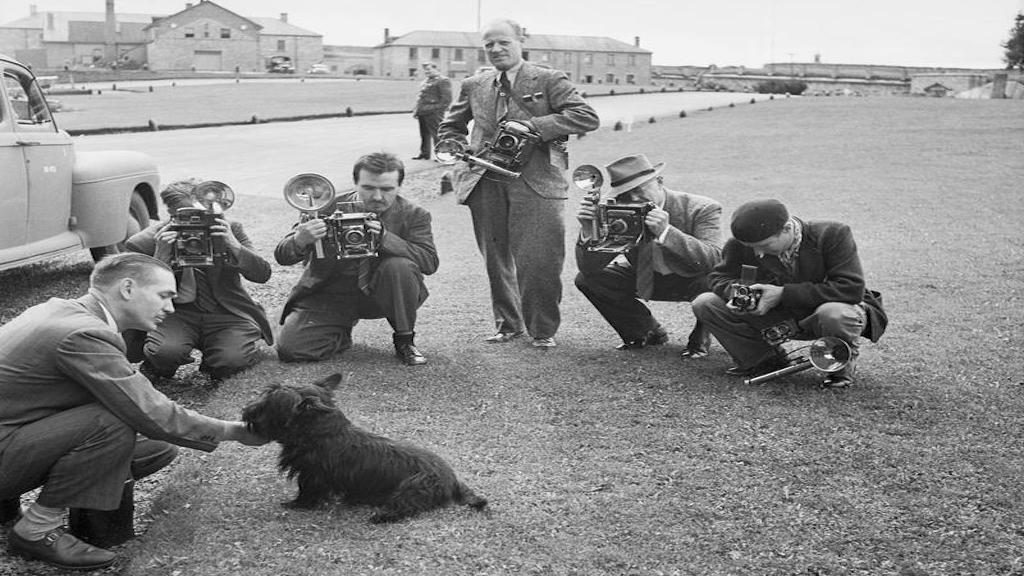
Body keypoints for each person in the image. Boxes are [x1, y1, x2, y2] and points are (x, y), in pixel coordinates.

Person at [0, 253, 266, 571]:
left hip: (13, 430)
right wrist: (234, 431)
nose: (170, 307)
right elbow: (149, 410)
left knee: (154, 449)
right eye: (164, 295)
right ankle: (37, 528)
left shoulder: (62, 310)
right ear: (127, 288)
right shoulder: (84, 334)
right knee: (110, 424)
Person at [437, 18, 599, 349]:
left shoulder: (549, 78)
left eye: (503, 42)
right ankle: (508, 325)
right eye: (489, 45)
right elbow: (450, 126)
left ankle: (542, 330)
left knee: (540, 258)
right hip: (485, 179)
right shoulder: (474, 84)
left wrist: (531, 127)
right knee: (496, 258)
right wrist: (455, 144)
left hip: (537, 181)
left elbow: (586, 116)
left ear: (520, 41)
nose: (496, 49)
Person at [691, 199, 888, 388]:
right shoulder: (742, 243)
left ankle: (839, 368)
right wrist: (742, 295)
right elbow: (719, 277)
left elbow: (850, 288)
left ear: (787, 228)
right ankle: (763, 361)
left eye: (765, 245)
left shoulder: (832, 234)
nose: (758, 253)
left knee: (834, 313)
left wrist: (782, 294)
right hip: (780, 315)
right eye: (752, 248)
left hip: (824, 315)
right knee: (705, 303)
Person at [275, 152, 438, 366]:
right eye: (368, 188)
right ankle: (338, 332)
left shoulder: (414, 214)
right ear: (355, 184)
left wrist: (385, 238)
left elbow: (429, 262)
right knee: (292, 350)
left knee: (399, 266)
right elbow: (282, 256)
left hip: (383, 293)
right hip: (329, 295)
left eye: (387, 189)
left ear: (399, 187)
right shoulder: (322, 208)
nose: (378, 196)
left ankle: (405, 340)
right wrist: (300, 239)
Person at [574, 154, 723, 356]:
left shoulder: (702, 208)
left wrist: (667, 232)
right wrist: (589, 231)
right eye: (625, 194)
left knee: (717, 280)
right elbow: (590, 269)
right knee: (587, 280)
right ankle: (645, 331)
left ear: (659, 182)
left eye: (639, 189)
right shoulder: (617, 211)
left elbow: (714, 259)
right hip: (647, 278)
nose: (634, 199)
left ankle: (701, 335)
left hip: (693, 278)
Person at [126, 180, 273, 381]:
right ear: (170, 213)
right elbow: (136, 293)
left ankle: (218, 358)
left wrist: (234, 246)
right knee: (165, 353)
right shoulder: (144, 242)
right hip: (176, 313)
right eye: (184, 216)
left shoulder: (228, 229)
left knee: (230, 362)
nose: (194, 221)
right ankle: (156, 365)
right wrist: (160, 257)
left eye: (200, 214)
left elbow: (262, 274)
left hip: (226, 312)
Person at [412, 61, 453, 160]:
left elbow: (446, 100)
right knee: (424, 134)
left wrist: (436, 109)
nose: (427, 72)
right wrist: (417, 110)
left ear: (437, 69)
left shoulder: (443, 80)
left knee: (437, 134)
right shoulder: (427, 80)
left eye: (429, 69)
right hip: (423, 111)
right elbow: (421, 98)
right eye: (426, 70)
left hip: (434, 112)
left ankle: (443, 155)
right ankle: (425, 153)